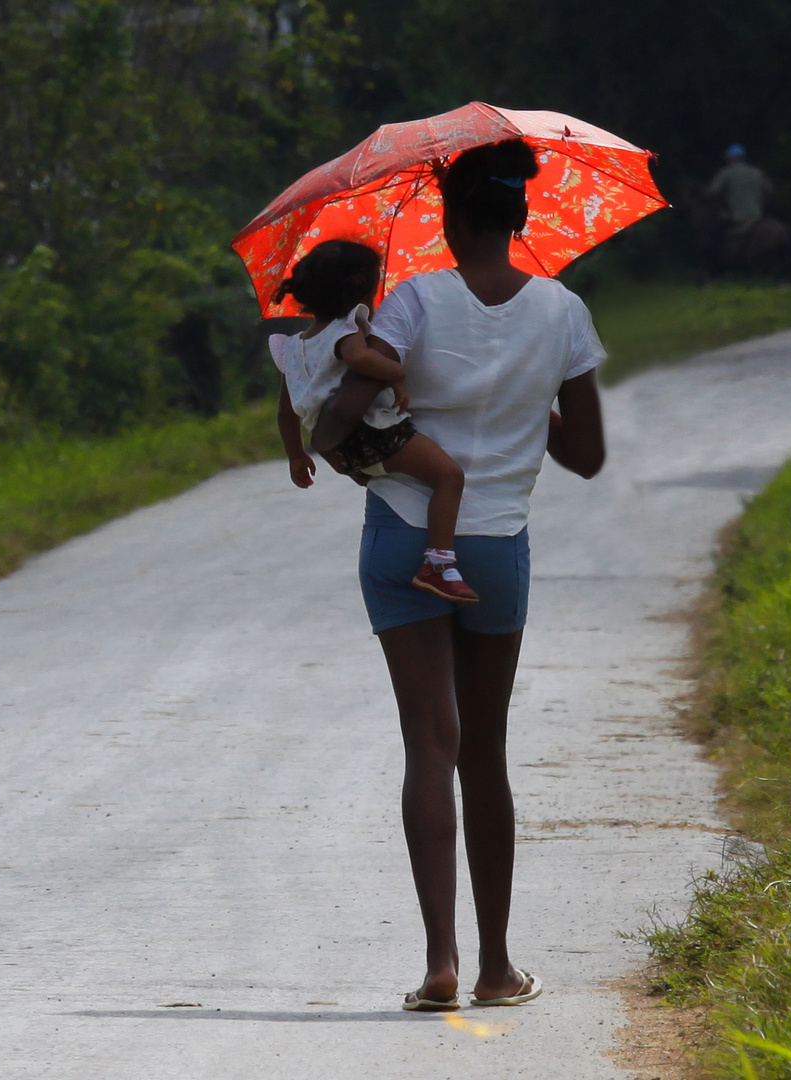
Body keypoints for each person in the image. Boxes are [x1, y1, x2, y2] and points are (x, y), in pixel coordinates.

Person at [309, 138, 606, 1011]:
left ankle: (438, 965)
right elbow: (585, 456)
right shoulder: (564, 313)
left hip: (404, 535)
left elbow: (340, 426)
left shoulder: (412, 301)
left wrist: (321, 409)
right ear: (519, 216)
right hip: (493, 546)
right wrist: (526, 400)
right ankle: (495, 968)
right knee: (486, 753)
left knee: (428, 748)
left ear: (453, 213)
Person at [271, 240, 477, 602]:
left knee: (390, 478)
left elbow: (286, 412)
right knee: (449, 476)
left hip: (344, 451)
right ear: (360, 289)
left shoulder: (293, 346)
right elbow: (360, 359)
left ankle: (372, 481)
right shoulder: (346, 330)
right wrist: (397, 373)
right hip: (374, 434)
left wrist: (296, 456)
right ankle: (439, 564)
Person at [707, 143, 773, 235]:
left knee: (713, 235)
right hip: (757, 216)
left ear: (730, 158)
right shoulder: (757, 172)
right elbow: (769, 192)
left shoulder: (725, 173)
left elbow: (711, 193)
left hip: (735, 217)